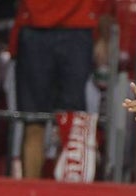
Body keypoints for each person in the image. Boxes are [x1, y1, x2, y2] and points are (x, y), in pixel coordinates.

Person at [15, 0, 109, 179]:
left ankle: (65, 191)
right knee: (33, 121)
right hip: (35, 27)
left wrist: (102, 34)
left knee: (72, 125)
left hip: (79, 29)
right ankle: (29, 192)